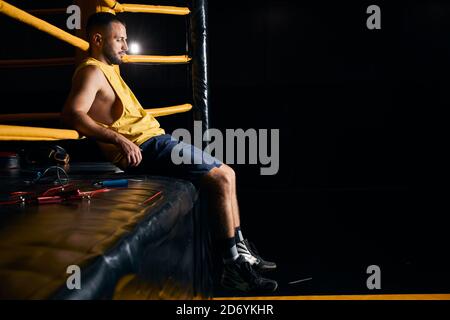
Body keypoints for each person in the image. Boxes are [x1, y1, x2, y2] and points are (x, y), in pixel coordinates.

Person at [62, 12, 277, 293]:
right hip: (146, 147)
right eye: (120, 39)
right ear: (98, 39)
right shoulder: (91, 71)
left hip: (155, 141)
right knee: (222, 178)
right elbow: (72, 114)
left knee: (228, 174)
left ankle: (240, 252)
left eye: (126, 39)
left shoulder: (109, 68)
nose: (126, 46)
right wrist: (119, 141)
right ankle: (233, 267)